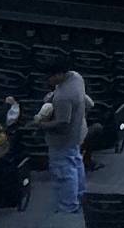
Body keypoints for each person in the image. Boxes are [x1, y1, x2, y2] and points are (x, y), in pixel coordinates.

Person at [33, 67, 87, 215]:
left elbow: (62, 124)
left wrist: (40, 124)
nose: (47, 81)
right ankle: (80, 196)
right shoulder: (76, 77)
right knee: (76, 163)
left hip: (63, 140)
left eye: (49, 77)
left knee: (64, 172)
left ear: (58, 74)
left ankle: (68, 206)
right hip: (77, 133)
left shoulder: (63, 97)